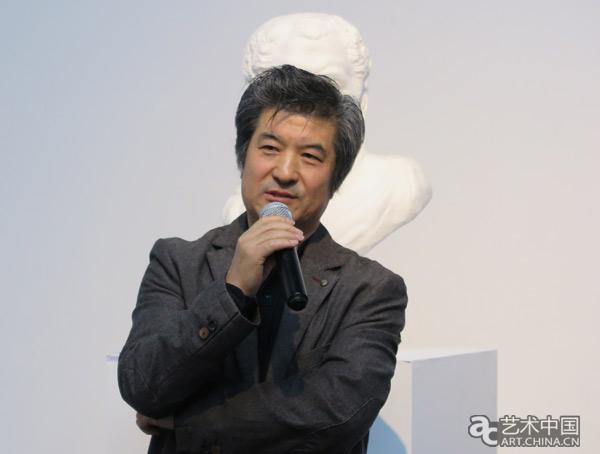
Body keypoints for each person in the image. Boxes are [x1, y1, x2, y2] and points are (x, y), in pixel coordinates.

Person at [118, 65, 408, 454]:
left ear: (335, 178)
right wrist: (232, 291)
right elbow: (142, 384)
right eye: (270, 148)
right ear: (244, 156)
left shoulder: (370, 288)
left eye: (310, 156)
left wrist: (187, 423)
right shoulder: (178, 262)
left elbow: (339, 412)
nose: (285, 172)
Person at [223, 13, 432, 254]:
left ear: (361, 99)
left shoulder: (401, 185)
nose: (306, 110)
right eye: (287, 88)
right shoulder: (234, 212)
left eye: (330, 84)